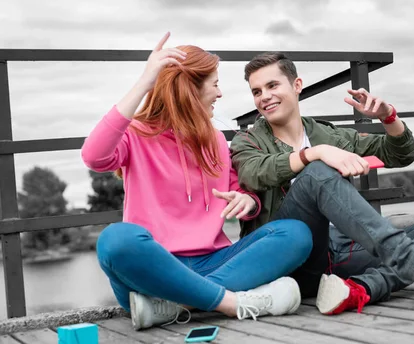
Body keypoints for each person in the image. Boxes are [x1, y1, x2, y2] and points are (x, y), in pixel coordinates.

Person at [230, 52, 414, 315]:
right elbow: (253, 172)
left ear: (297, 85)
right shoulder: (249, 140)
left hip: (337, 251)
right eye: (256, 91)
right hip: (288, 259)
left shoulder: (327, 134)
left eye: (272, 85)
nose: (264, 96)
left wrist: (388, 117)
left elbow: (400, 153)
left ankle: (362, 289)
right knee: (317, 172)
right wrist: (313, 153)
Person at [81, 35, 313, 330]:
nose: (219, 93)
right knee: (115, 241)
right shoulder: (137, 134)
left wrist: (247, 200)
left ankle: (173, 305)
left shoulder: (216, 140)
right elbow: (94, 156)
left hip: (214, 261)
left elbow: (237, 188)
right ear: (191, 89)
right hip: (154, 271)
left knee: (295, 233)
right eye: (215, 84)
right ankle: (232, 304)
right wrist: (145, 81)